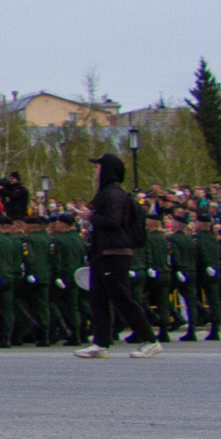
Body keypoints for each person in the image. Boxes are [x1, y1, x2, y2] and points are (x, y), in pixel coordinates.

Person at [76, 153, 156, 359]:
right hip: (103, 251)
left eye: (98, 167)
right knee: (99, 299)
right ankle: (100, 342)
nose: (95, 171)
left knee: (122, 298)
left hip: (114, 253)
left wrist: (90, 216)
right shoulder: (108, 193)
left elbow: (113, 220)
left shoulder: (113, 194)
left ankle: (149, 339)